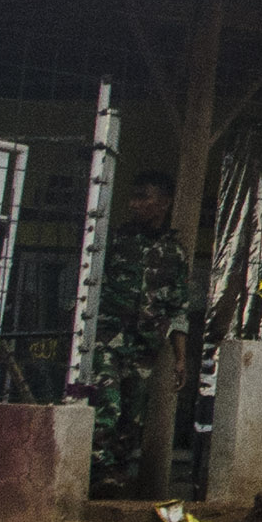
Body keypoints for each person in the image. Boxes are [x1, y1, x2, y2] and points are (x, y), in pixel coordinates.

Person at [86, 169, 195, 497]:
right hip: (109, 339)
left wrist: (180, 357)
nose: (134, 205)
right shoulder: (115, 241)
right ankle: (95, 472)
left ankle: (114, 478)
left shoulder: (174, 253)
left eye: (142, 197)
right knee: (107, 405)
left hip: (145, 347)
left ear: (163, 203)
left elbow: (179, 308)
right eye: (132, 197)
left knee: (133, 418)